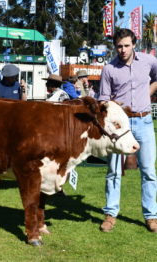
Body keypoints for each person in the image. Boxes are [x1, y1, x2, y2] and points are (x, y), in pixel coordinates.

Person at [98, 28, 157, 233]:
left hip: (144, 122)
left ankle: (151, 216)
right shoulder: (109, 69)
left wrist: (147, 95)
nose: (122, 50)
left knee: (149, 171)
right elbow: (103, 99)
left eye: (126, 45)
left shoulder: (149, 62)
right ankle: (110, 214)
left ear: (134, 44)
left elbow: (156, 78)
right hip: (120, 127)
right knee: (113, 171)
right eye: (119, 46)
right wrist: (115, 107)